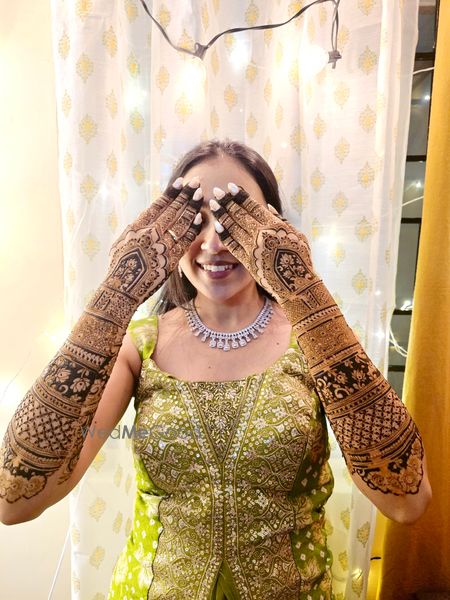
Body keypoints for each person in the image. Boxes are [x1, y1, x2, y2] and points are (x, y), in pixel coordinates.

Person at [0, 140, 431, 599]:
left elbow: (407, 500)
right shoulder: (139, 346)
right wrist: (117, 291)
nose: (213, 243)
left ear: (273, 226)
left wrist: (304, 291)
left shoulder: (318, 340)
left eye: (234, 219)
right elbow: (14, 497)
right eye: (193, 221)